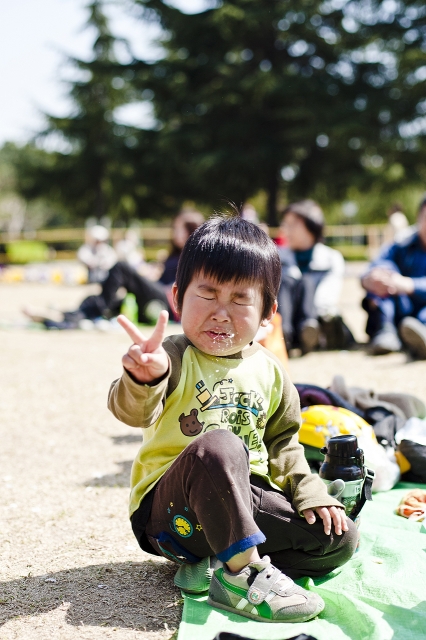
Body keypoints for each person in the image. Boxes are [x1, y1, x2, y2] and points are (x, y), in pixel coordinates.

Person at [108, 216, 357, 624]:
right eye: (207, 294)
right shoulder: (170, 357)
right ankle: (242, 576)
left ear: (267, 313)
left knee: (340, 537)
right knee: (219, 445)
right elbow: (132, 410)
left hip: (242, 503)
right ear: (177, 298)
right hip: (171, 514)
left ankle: (225, 559)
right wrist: (142, 377)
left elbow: (283, 444)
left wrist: (309, 491)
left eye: (240, 299)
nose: (221, 313)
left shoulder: (271, 371)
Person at [23, 210, 204, 328]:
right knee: (98, 299)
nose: (174, 233)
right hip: (157, 294)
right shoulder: (174, 254)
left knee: (121, 268)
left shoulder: (197, 257)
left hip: (168, 302)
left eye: (179, 229)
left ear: (192, 230)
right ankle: (61, 317)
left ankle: (93, 312)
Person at [277, 200, 349, 353]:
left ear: (311, 226)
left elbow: (327, 298)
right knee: (286, 282)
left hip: (317, 316)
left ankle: (307, 332)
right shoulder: (276, 256)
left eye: (292, 224)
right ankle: (284, 334)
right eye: (285, 224)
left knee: (306, 282)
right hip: (285, 314)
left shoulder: (331, 258)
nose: (285, 230)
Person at [361, 197, 426, 358]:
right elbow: (372, 268)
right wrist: (370, 279)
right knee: (384, 270)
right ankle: (386, 331)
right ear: (418, 219)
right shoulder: (402, 244)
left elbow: (407, 285)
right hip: (398, 307)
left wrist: (409, 284)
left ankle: (420, 337)